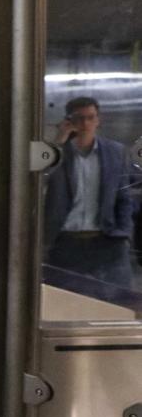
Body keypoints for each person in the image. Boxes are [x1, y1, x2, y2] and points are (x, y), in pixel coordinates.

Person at [44, 96, 135, 287]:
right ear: (69, 121)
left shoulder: (115, 152)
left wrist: (124, 232)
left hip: (106, 239)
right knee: (62, 301)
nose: (85, 123)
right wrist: (59, 142)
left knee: (114, 302)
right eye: (79, 118)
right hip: (66, 241)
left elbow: (124, 196)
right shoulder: (59, 153)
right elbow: (42, 179)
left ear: (98, 120)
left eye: (90, 117)